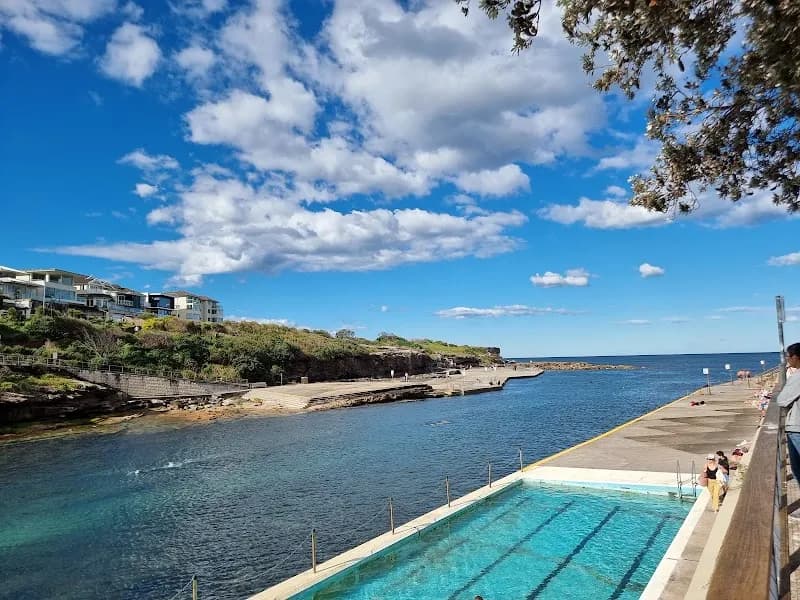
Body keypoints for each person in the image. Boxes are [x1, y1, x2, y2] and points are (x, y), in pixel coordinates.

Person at [778, 343, 800, 485]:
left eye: (788, 356)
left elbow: (781, 400)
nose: (787, 359)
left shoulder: (797, 377)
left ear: (796, 357)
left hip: (797, 428)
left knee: (798, 469)